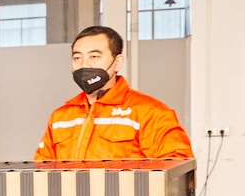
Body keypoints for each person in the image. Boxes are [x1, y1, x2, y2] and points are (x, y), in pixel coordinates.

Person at [34, 25, 193, 161]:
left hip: (125, 190)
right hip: (72, 191)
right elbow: (42, 170)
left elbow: (176, 168)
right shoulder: (60, 117)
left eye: (94, 56)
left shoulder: (149, 112)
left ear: (117, 62)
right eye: (77, 58)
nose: (84, 65)